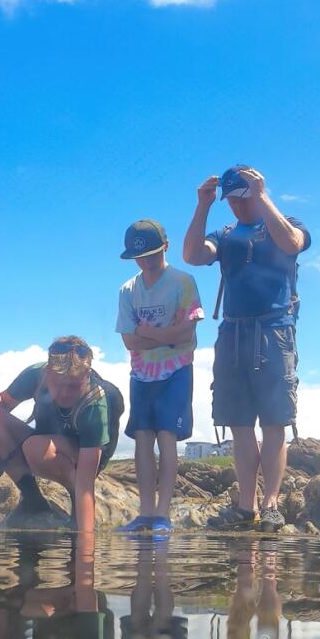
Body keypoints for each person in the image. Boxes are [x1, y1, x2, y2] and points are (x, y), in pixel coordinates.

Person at [182, 165, 310, 532]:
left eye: (242, 198)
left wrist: (262, 195)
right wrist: (203, 205)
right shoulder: (224, 236)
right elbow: (192, 255)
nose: (237, 207)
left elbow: (292, 244)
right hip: (233, 334)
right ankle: (245, 506)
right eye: (232, 201)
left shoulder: (286, 222)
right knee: (239, 424)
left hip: (275, 331)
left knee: (274, 421)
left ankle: (270, 503)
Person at [0, 337, 124, 532]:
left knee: (36, 448)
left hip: (83, 456)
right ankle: (33, 501)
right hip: (44, 441)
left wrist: (85, 540)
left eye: (74, 387)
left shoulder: (95, 401)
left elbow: (86, 480)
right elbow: (2, 400)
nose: (65, 394)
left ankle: (74, 502)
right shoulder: (36, 374)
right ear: (48, 372)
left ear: (87, 375)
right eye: (58, 385)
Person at [114, 219, 203, 536]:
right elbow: (130, 341)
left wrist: (150, 334)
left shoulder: (183, 282)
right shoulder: (127, 290)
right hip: (141, 374)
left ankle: (163, 514)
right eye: (141, 256)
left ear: (166, 246)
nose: (147, 261)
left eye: (153, 253)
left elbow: (187, 332)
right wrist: (166, 337)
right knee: (142, 441)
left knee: (167, 439)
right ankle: (145, 513)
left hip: (176, 371)